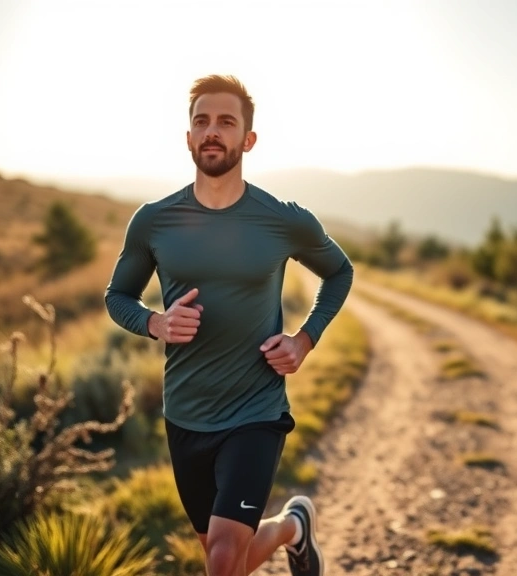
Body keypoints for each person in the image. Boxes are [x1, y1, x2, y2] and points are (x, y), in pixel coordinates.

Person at [104, 74, 352, 576]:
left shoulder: (282, 219)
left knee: (221, 556)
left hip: (255, 410)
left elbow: (339, 271)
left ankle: (287, 528)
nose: (212, 131)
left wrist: (305, 339)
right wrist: (156, 324)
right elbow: (117, 297)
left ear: (248, 139)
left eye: (226, 122)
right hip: (187, 414)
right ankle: (291, 529)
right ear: (188, 136)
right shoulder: (153, 221)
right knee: (227, 559)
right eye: (201, 121)